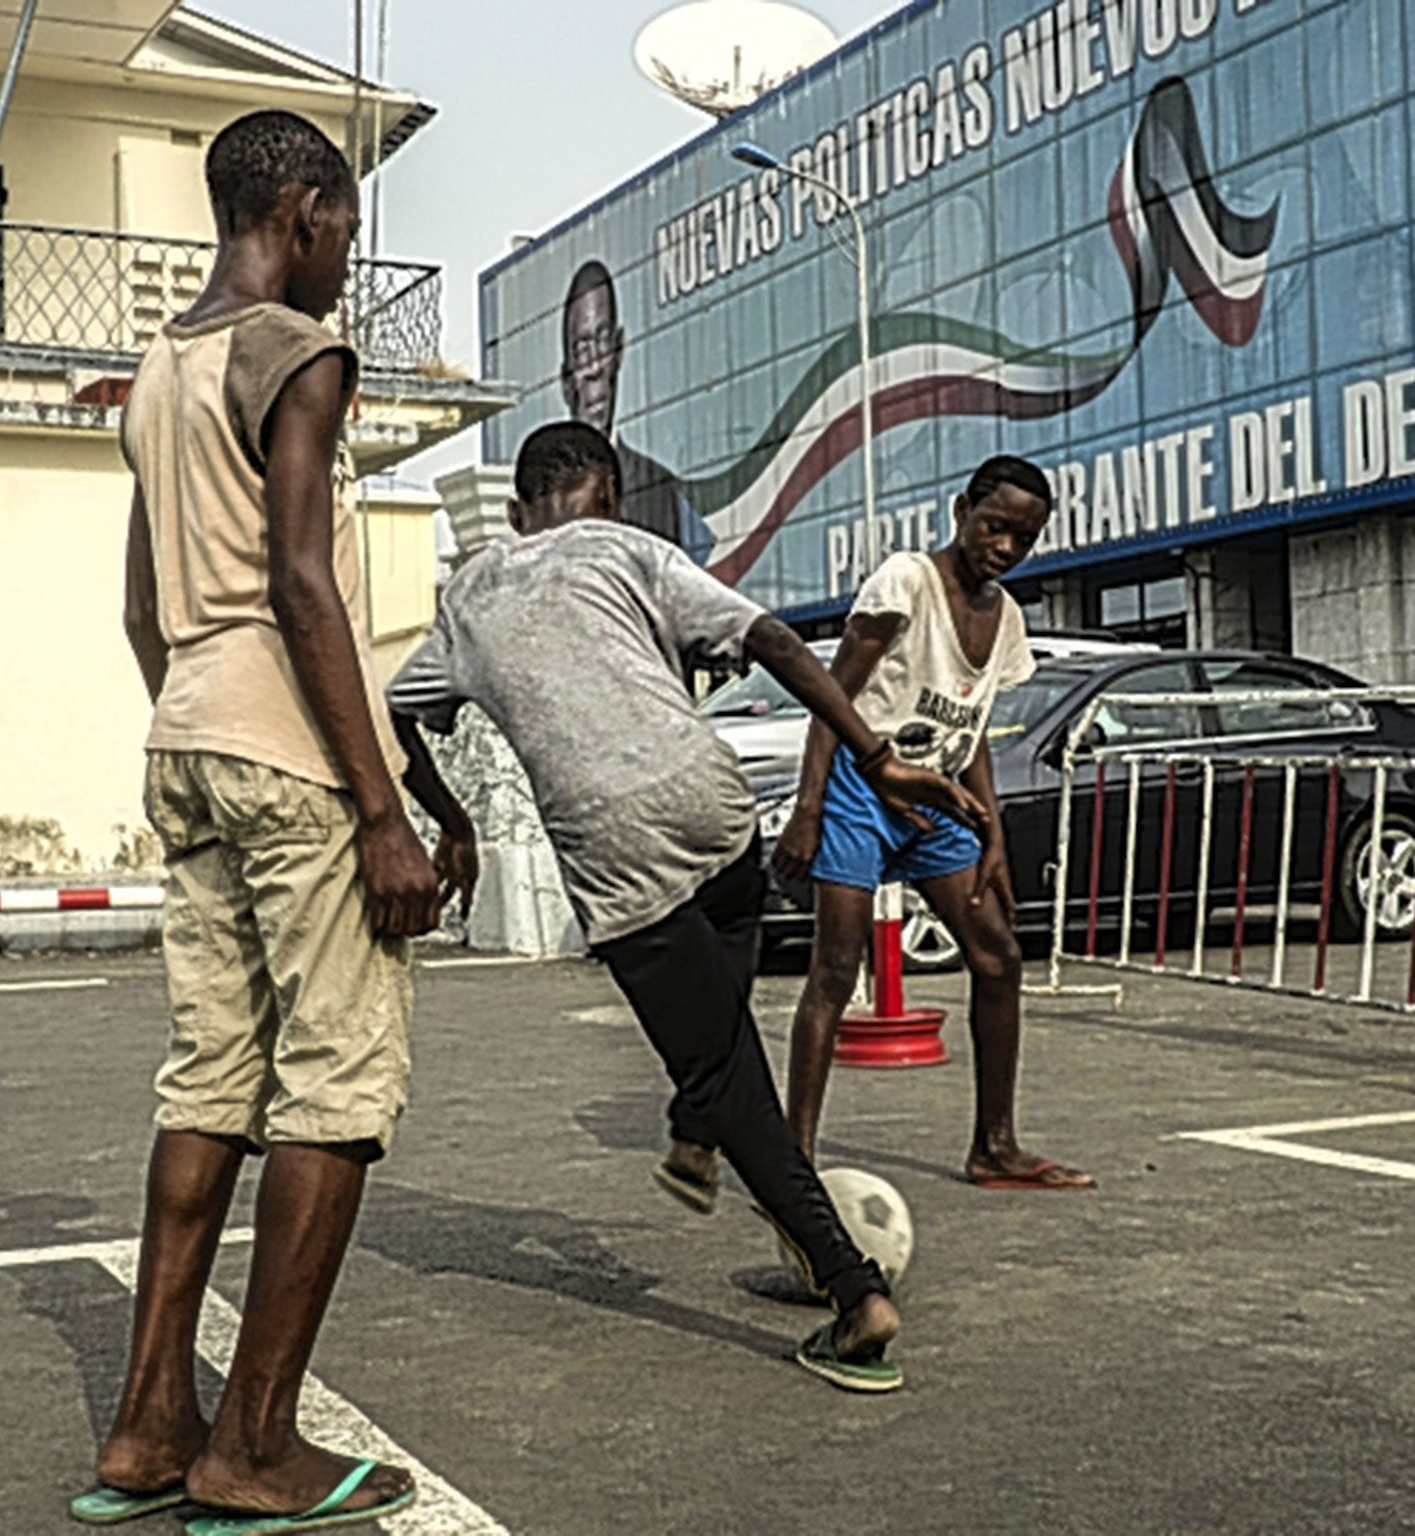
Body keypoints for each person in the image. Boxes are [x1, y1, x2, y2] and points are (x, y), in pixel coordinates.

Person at [387, 421, 985, 1393]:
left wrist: (449, 823)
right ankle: (695, 1130)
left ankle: (852, 1291)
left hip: (611, 844)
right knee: (733, 928)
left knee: (725, 1072)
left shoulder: (470, 592)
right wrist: (878, 758)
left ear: (514, 512)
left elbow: (398, 713)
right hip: (708, 801)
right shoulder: (630, 549)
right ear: (611, 497)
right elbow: (778, 640)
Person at [81, 110, 449, 1532]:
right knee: (338, 1089)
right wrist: (381, 809)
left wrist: (199, 715)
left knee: (208, 1081)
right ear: (299, 211)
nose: (349, 256)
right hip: (288, 753)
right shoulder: (297, 353)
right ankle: (254, 1443)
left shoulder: (158, 373)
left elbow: (137, 606)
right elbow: (307, 586)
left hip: (185, 735)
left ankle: (145, 1429)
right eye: (347, 227)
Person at [774, 456, 1095, 1192]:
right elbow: (831, 696)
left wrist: (994, 836)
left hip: (937, 797)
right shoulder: (906, 582)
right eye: (994, 527)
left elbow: (972, 728)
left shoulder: (1007, 618)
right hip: (862, 784)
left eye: (1024, 538)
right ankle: (793, 1162)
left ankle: (995, 1146)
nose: (1006, 548)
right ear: (961, 510)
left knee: (998, 956)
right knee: (835, 969)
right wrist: (808, 807)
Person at [559, 259, 713, 561]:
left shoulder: (660, 487)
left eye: (602, 344)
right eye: (582, 350)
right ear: (566, 378)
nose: (594, 368)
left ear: (619, 351)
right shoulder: (548, 492)